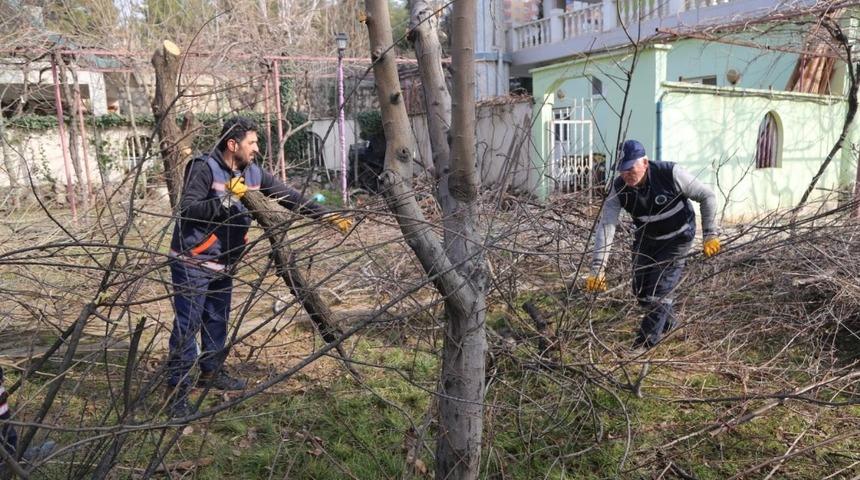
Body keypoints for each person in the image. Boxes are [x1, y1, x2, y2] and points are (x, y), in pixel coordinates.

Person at [165, 116, 352, 417]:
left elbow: (288, 197)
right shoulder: (203, 167)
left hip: (223, 262)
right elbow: (188, 210)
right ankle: (176, 394)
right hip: (192, 262)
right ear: (232, 144)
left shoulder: (252, 173)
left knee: (216, 320)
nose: (256, 148)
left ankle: (211, 373)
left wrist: (325, 215)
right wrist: (226, 200)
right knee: (187, 329)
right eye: (252, 142)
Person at [584, 139, 721, 352]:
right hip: (647, 238)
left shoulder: (670, 173)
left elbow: (707, 196)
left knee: (659, 291)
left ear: (645, 162)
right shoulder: (619, 188)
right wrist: (597, 269)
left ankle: (645, 344)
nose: (626, 174)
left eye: (631, 168)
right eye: (622, 170)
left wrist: (710, 234)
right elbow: (606, 226)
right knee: (641, 291)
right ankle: (670, 325)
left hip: (677, 237)